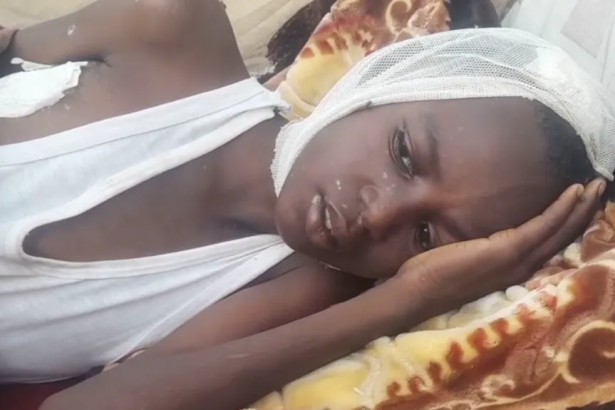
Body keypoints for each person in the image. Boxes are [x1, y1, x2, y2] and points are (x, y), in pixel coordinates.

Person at [0, 1, 612, 409]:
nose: (379, 214)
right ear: (377, 88)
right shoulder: (171, 26)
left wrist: (410, 298)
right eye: (403, 153)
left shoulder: (304, 288)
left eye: (426, 235)